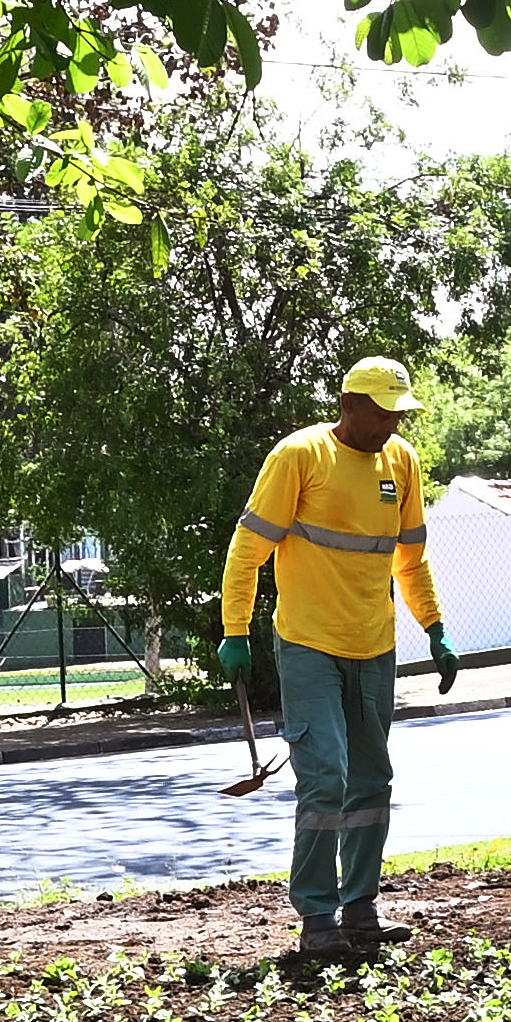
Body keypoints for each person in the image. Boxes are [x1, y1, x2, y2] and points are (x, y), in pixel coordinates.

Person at [212, 360, 458, 967]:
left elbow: (411, 559)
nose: (391, 422)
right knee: (326, 777)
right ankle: (317, 916)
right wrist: (235, 629)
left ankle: (361, 908)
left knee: (373, 780)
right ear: (349, 404)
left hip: (375, 645)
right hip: (309, 644)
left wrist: (436, 626)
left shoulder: (400, 460)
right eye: (382, 410)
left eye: (398, 411)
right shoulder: (299, 457)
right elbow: (248, 551)